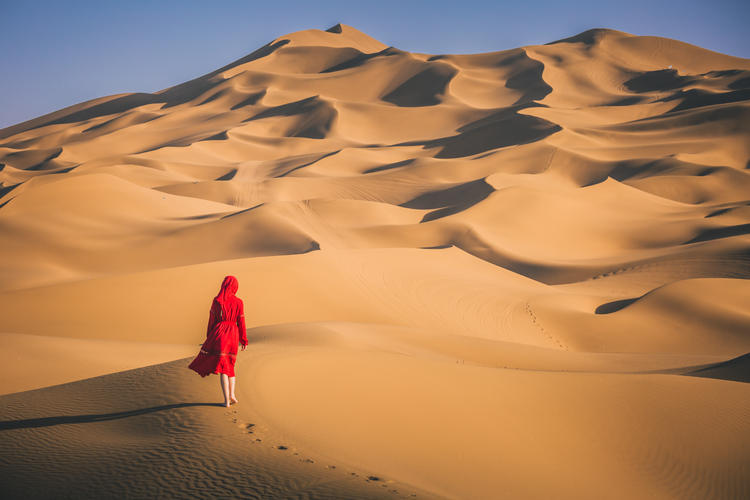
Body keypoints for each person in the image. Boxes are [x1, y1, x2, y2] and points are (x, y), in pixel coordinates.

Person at [188, 275, 248, 407]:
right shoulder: (239, 302)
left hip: (220, 333)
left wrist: (210, 337)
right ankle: (232, 395)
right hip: (233, 334)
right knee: (230, 366)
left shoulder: (217, 301)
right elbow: (241, 322)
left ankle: (227, 400)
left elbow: (212, 321)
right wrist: (244, 339)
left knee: (223, 368)